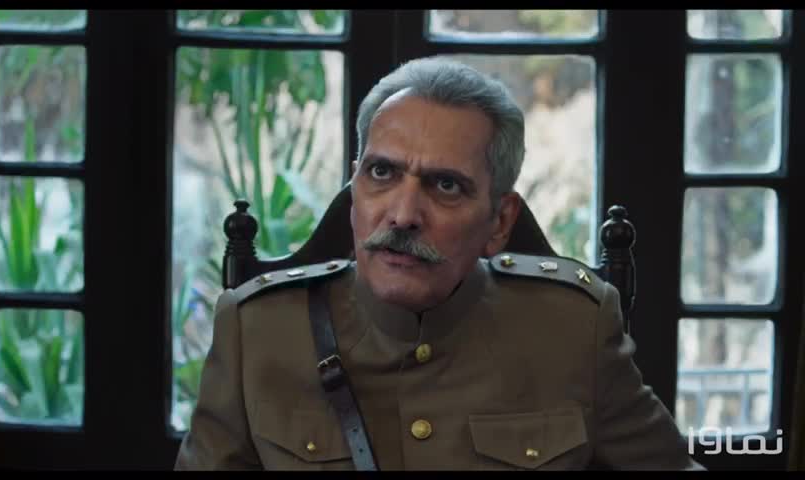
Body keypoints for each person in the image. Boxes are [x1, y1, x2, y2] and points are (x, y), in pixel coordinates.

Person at [174, 56, 705, 471]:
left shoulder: (572, 330)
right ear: (353, 189)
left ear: (499, 221)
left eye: (446, 185)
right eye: (382, 173)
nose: (403, 214)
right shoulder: (258, 330)